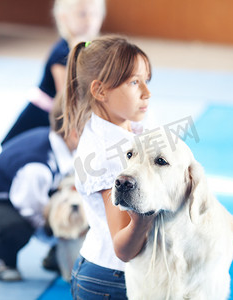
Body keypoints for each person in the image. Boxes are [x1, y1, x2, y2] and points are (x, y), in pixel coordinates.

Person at [58, 36, 155, 299]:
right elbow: (123, 248)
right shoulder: (109, 157)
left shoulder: (118, 126)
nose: (147, 92)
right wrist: (146, 218)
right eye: (135, 82)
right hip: (113, 280)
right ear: (100, 91)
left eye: (147, 80)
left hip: (109, 274)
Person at [0, 96, 79, 281]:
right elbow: (32, 212)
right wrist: (61, 235)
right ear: (74, 132)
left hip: (25, 195)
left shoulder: (60, 142)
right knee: (19, 227)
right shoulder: (37, 168)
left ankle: (55, 258)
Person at [0, 0, 105, 146]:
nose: (90, 20)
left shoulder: (89, 47)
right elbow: (66, 96)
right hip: (44, 115)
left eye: (95, 14)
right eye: (82, 14)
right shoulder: (61, 53)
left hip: (64, 113)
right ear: (64, 17)